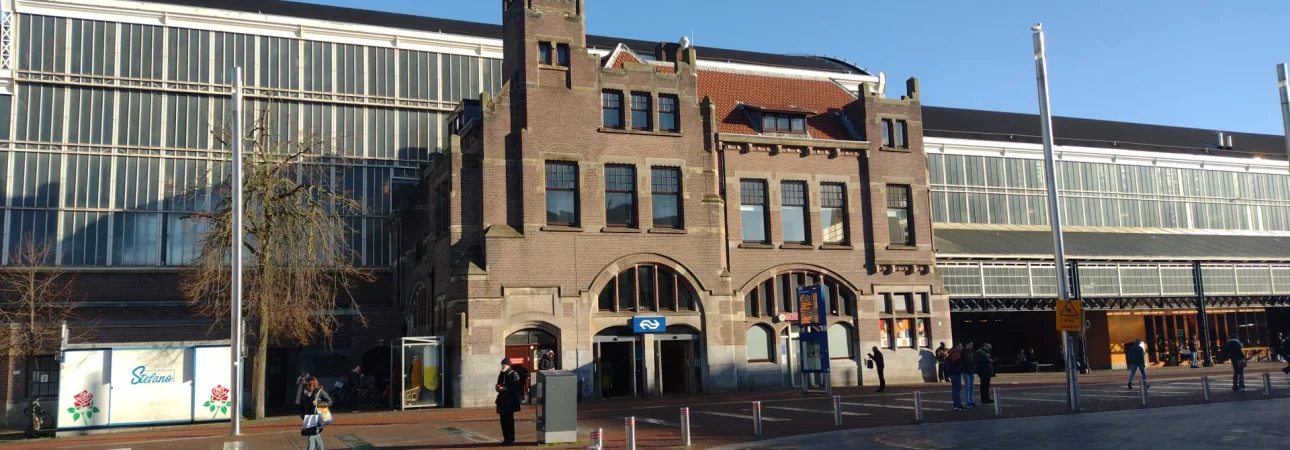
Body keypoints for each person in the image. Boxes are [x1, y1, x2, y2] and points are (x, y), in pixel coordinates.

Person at [496, 358, 523, 446]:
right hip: (502, 400)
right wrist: (497, 387)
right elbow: (498, 383)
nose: (502, 366)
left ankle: (510, 439)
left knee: (509, 421)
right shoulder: (501, 374)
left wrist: (505, 388)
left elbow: (516, 386)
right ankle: (505, 438)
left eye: (503, 365)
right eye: (502, 365)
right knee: (503, 421)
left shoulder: (513, 374)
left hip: (510, 401)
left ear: (508, 365)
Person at [300, 377, 332, 450]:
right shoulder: (304, 393)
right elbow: (301, 406)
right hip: (308, 418)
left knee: (311, 437)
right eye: (306, 385)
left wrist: (318, 403)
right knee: (316, 436)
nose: (307, 386)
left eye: (309, 385)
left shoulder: (320, 392)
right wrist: (302, 416)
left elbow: (329, 402)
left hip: (318, 418)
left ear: (314, 384)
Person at [947, 343, 964, 410]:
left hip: (952, 372)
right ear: (957, 346)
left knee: (955, 389)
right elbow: (956, 362)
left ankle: (956, 404)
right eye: (960, 346)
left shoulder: (951, 352)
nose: (961, 347)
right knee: (957, 389)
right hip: (955, 372)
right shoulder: (955, 353)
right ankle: (958, 404)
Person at [960, 342, 977, 408]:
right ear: (966, 345)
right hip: (965, 371)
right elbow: (962, 361)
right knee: (968, 386)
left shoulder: (972, 352)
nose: (971, 346)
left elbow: (974, 360)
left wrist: (974, 367)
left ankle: (971, 401)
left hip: (971, 371)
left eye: (972, 345)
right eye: (970, 345)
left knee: (971, 386)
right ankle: (968, 402)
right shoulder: (963, 352)